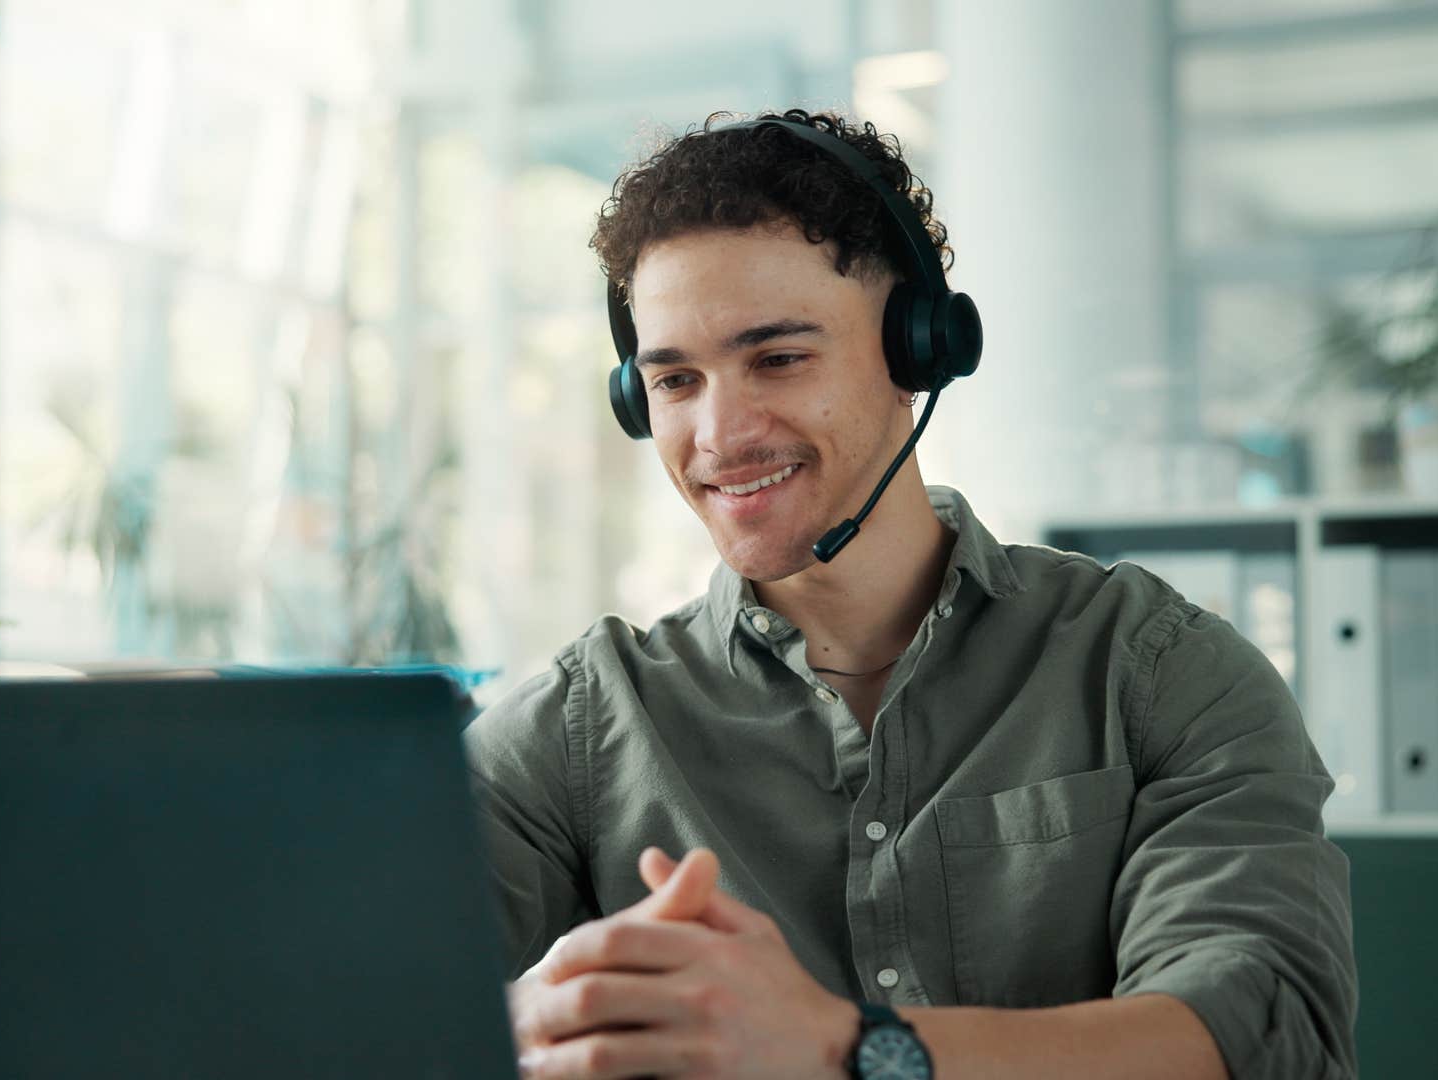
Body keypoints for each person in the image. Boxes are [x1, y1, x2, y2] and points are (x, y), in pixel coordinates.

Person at [465, 109, 1356, 1079]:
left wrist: (852, 1051)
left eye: (778, 358)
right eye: (675, 380)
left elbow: (1264, 1038)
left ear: (919, 353)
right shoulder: (583, 728)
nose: (719, 434)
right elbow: (349, 998)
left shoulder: (1157, 671)